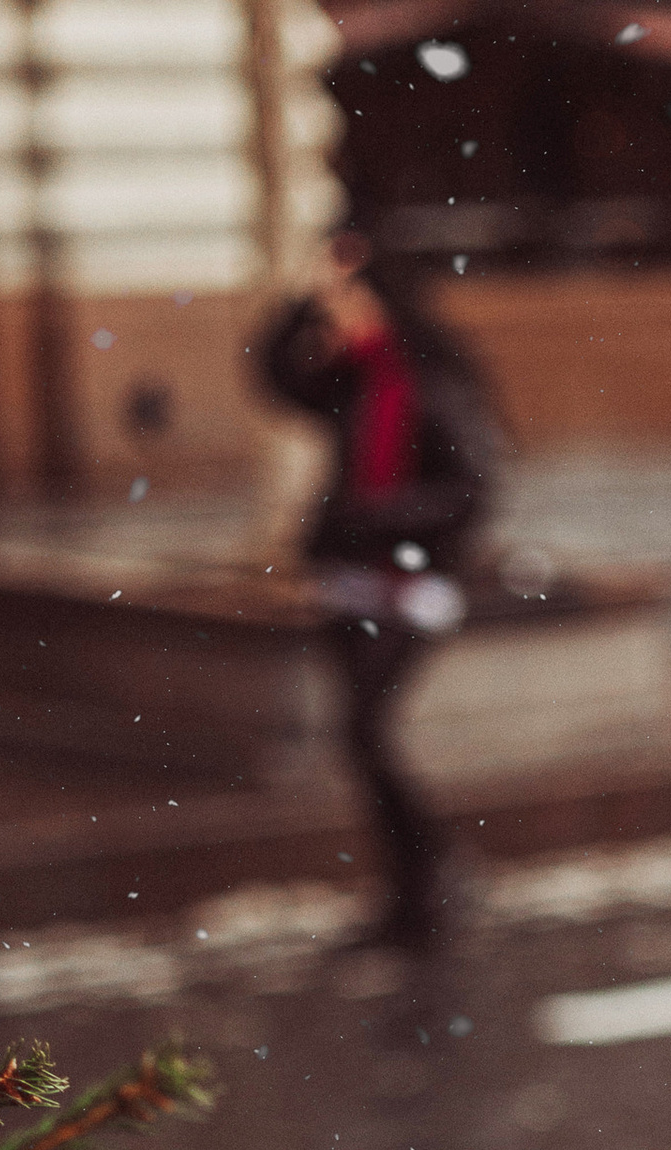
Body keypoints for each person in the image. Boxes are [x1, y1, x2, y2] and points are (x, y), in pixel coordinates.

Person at [261, 230, 504, 949]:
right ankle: (412, 890)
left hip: (412, 581)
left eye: (348, 299)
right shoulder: (352, 379)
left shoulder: (432, 380)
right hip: (351, 580)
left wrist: (372, 520)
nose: (337, 315)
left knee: (365, 731)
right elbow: (273, 377)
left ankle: (435, 868)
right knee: (360, 738)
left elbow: (471, 488)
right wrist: (304, 297)